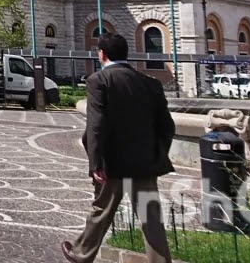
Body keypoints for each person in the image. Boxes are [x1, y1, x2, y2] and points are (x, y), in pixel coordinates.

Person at [62, 33, 174, 263]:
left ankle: (82, 253)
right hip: (144, 163)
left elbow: (96, 124)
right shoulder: (150, 83)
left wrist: (96, 162)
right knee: (151, 217)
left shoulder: (99, 81)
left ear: (102, 54)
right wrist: (157, 153)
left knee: (101, 210)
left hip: (112, 163)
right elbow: (167, 126)